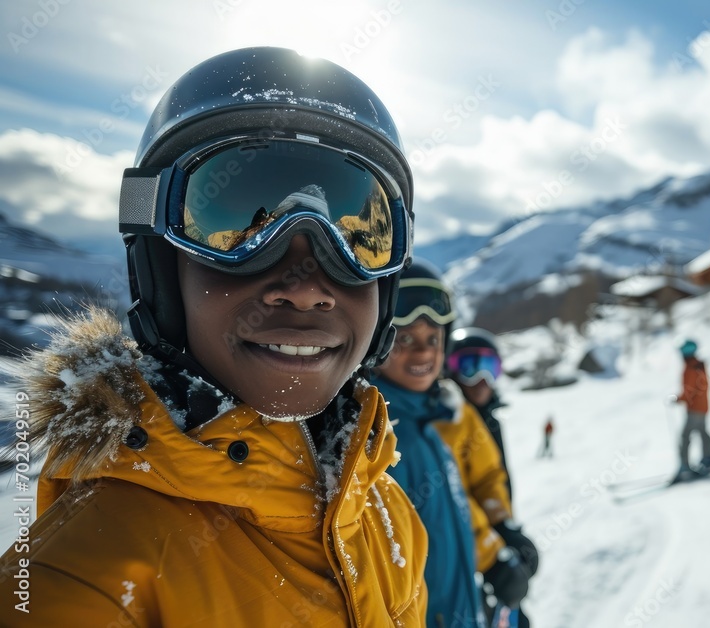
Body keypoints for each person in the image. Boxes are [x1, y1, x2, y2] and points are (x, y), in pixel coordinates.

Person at [0, 47, 429, 626]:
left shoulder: (387, 514)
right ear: (160, 266)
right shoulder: (81, 585)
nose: (304, 289)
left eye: (358, 236)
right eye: (236, 225)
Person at [373, 260, 534, 628]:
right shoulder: (388, 438)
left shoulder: (432, 422)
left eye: (433, 339)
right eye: (405, 339)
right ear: (377, 341)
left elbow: (475, 490)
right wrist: (494, 556)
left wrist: (503, 529)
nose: (422, 353)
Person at [447, 326, 540, 626]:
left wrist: (505, 527)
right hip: (462, 558)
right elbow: (453, 496)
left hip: (490, 550)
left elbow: (489, 484)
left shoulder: (489, 420)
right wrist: (493, 553)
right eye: (468, 366)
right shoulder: (444, 421)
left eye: (489, 367)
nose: (480, 379)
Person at [674, 339, 710, 480]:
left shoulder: (690, 368)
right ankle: (708, 459)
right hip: (702, 407)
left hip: (694, 409)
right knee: (703, 432)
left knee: (685, 436)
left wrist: (679, 399)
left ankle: (685, 467)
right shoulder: (699, 366)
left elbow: (689, 390)